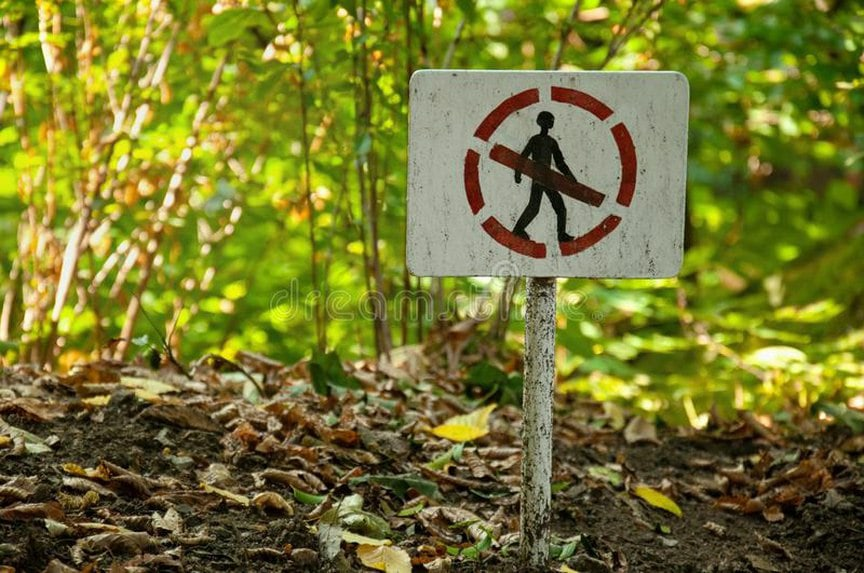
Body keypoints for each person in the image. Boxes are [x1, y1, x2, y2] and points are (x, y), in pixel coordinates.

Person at [512, 111, 576, 242]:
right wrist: (517, 173)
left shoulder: (552, 142)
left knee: (542, 207)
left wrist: (570, 175)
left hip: (545, 177)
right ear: (543, 122)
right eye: (549, 120)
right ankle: (560, 235)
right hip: (541, 177)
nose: (551, 123)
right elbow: (523, 157)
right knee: (548, 207)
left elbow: (560, 162)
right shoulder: (536, 140)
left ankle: (560, 235)